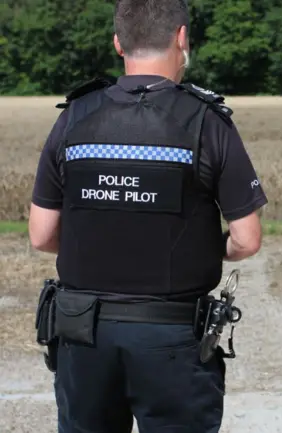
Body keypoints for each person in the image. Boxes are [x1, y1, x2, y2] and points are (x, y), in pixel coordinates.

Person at [28, 0, 267, 432]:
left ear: (119, 42)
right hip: (172, 341)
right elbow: (247, 239)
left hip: (84, 336)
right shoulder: (206, 121)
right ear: (181, 38)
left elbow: (42, 235)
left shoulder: (74, 117)